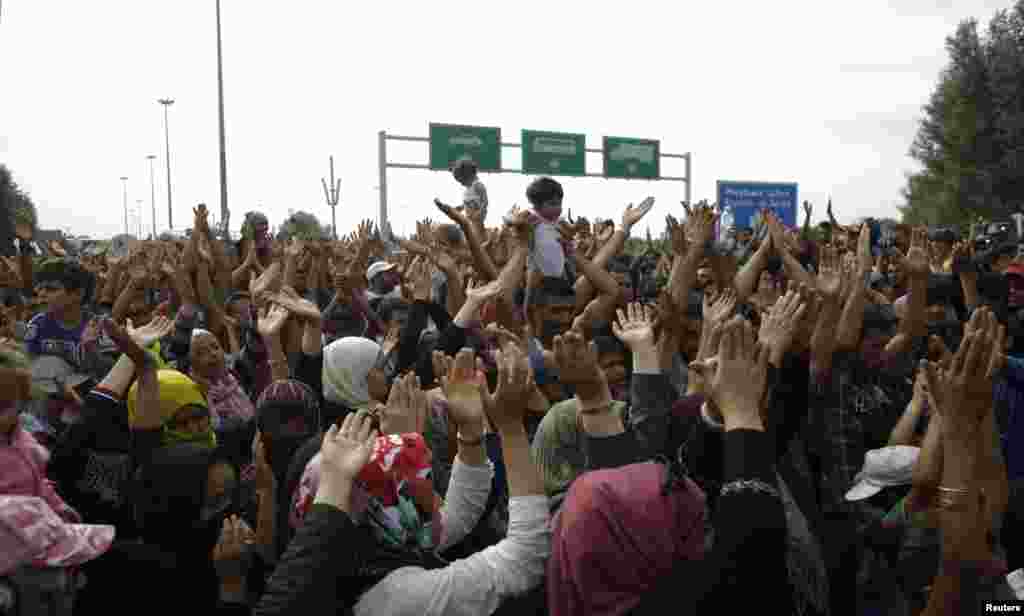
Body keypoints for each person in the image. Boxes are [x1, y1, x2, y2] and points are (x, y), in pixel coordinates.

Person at [452, 158, 488, 226]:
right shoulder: (467, 190)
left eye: (461, 181)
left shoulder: (478, 185)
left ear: (469, 176)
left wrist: (479, 213)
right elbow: (470, 203)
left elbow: (485, 202)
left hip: (477, 222)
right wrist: (461, 207)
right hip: (469, 221)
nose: (461, 184)